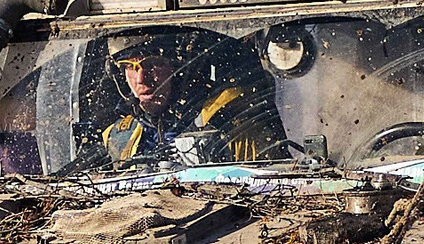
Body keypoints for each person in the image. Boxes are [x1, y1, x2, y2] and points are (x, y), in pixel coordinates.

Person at [93, 28, 287, 168]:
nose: (141, 79)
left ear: (178, 68)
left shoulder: (232, 128)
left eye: (152, 64)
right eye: (130, 67)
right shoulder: (117, 137)